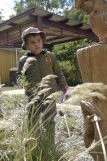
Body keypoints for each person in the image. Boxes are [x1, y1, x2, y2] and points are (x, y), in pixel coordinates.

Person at [16, 27, 68, 160]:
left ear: (42, 41)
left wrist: (64, 86)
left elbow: (58, 72)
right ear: (26, 45)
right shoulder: (23, 60)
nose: (36, 44)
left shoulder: (50, 56)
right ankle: (34, 143)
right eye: (32, 42)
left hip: (49, 95)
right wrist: (23, 83)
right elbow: (19, 76)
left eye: (38, 40)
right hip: (32, 96)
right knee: (32, 120)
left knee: (49, 120)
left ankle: (50, 144)